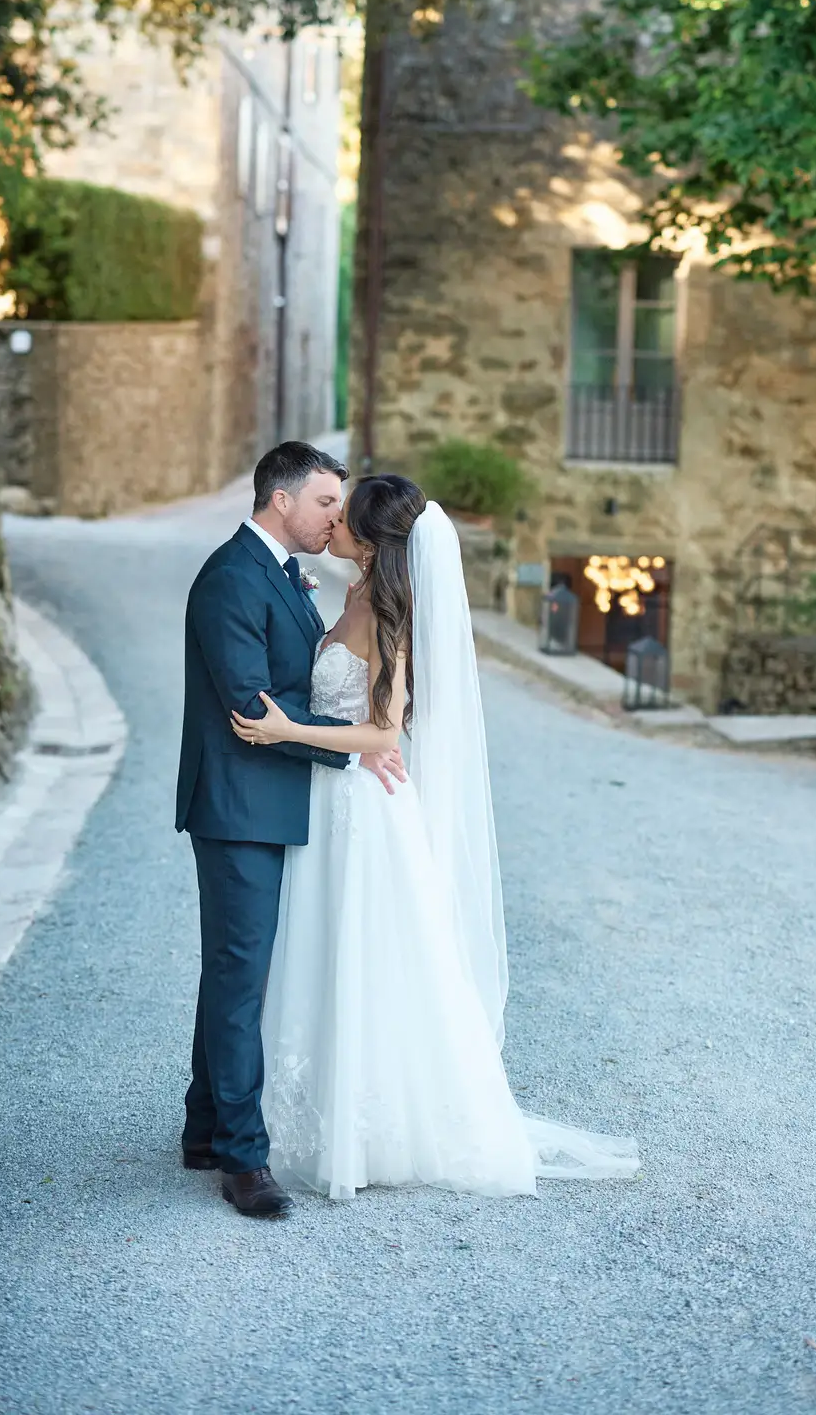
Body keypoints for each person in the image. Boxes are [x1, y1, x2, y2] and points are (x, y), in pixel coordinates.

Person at [231, 473, 641, 1201]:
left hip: (361, 808)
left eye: (342, 513)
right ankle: (303, 1114)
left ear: (370, 538)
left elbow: (384, 731)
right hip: (327, 800)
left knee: (365, 955)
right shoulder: (353, 595)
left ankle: (374, 1126)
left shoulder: (391, 615)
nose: (332, 521)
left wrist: (287, 729)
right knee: (323, 953)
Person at [175, 442, 406, 1218]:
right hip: (240, 804)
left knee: (235, 973)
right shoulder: (230, 579)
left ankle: (206, 1127)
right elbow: (253, 709)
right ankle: (245, 1160)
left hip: (278, 797)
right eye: (325, 504)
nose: (336, 518)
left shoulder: (277, 573)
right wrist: (354, 750)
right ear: (281, 501)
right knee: (243, 977)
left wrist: (362, 743)